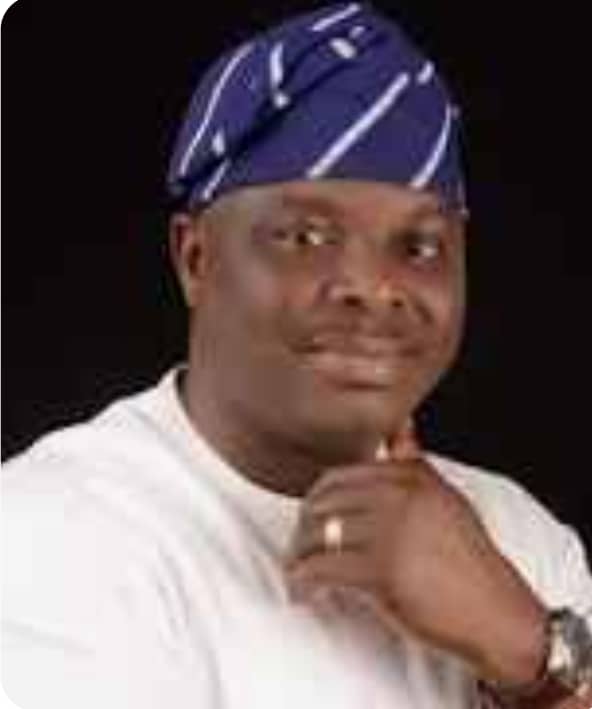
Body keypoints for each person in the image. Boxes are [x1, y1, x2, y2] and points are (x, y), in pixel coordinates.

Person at [2, 3, 591, 708]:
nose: (373, 287)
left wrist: (523, 646)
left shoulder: (516, 536)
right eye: (306, 237)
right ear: (195, 258)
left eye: (419, 246)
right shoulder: (55, 533)